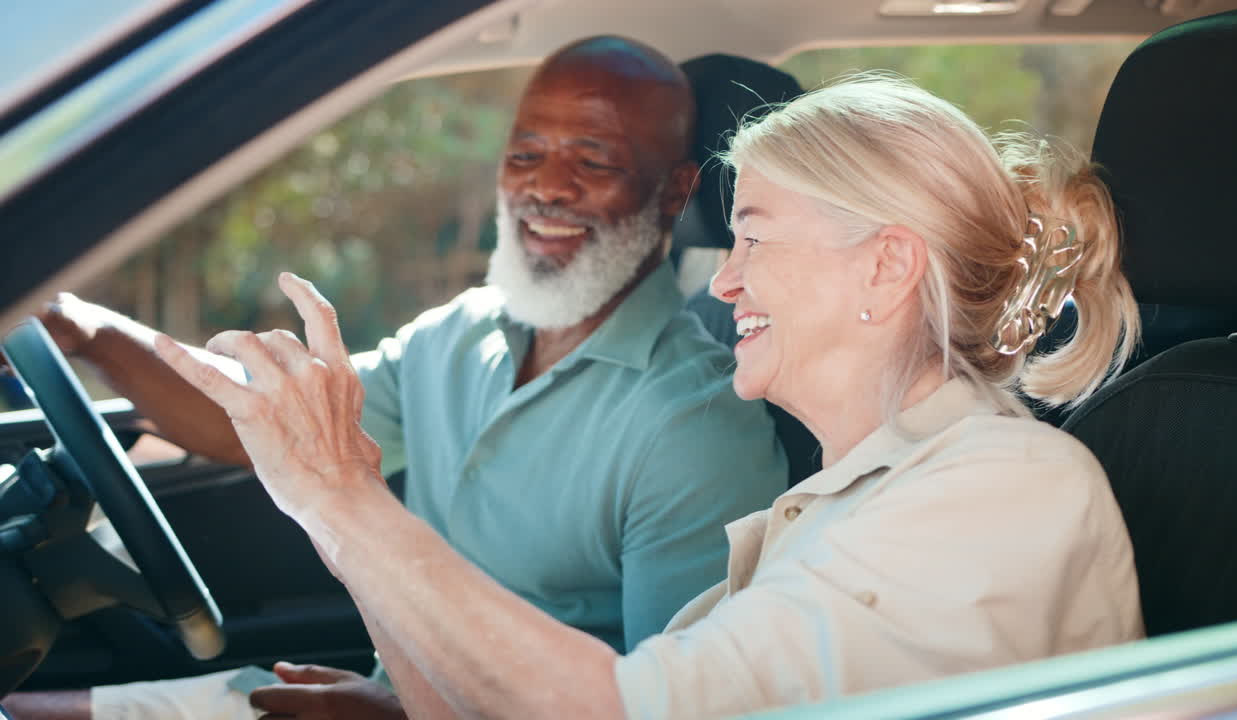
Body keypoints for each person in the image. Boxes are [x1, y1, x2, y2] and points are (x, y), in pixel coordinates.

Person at [151, 72, 1147, 719]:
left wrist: (341, 501)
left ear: (885, 270)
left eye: (753, 236)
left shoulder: (1001, 488)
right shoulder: (839, 503)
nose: (721, 282)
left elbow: (610, 712)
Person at [2, 37, 789, 720]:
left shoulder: (697, 425)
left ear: (677, 193)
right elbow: (264, 424)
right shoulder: (465, 330)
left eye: (595, 160)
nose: (546, 187)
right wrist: (82, 329)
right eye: (525, 154)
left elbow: (663, 709)